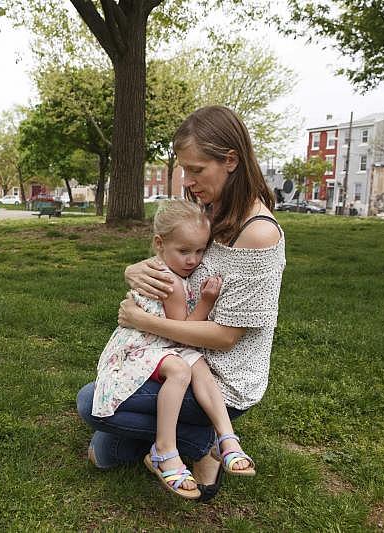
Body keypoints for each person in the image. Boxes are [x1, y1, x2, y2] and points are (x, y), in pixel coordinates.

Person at [76, 105, 286, 501]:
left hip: (222, 378)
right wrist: (135, 271)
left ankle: (201, 442)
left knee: (91, 403)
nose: (187, 182)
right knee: (104, 451)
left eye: (196, 170)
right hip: (181, 352)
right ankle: (182, 440)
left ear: (230, 161)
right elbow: (173, 257)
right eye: (184, 170)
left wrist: (139, 320)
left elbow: (225, 338)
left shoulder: (259, 235)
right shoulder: (206, 210)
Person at [92, 200, 255, 500]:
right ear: (159, 243)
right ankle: (165, 448)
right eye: (184, 251)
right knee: (181, 370)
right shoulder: (170, 282)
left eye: (200, 250)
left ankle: (226, 437)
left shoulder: (165, 266)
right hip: (145, 345)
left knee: (200, 368)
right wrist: (206, 301)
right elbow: (184, 332)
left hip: (163, 340)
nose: (193, 259)